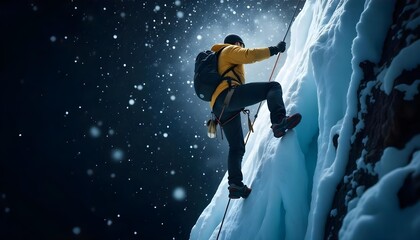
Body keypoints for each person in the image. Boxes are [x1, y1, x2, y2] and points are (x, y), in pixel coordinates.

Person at [210, 34, 301, 199]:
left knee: (236, 147)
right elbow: (249, 55)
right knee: (272, 87)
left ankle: (235, 185)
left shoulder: (217, 59)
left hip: (219, 108)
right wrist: (274, 49)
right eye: (241, 44)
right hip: (229, 96)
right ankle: (279, 121)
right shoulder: (229, 49)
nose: (242, 46)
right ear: (237, 43)